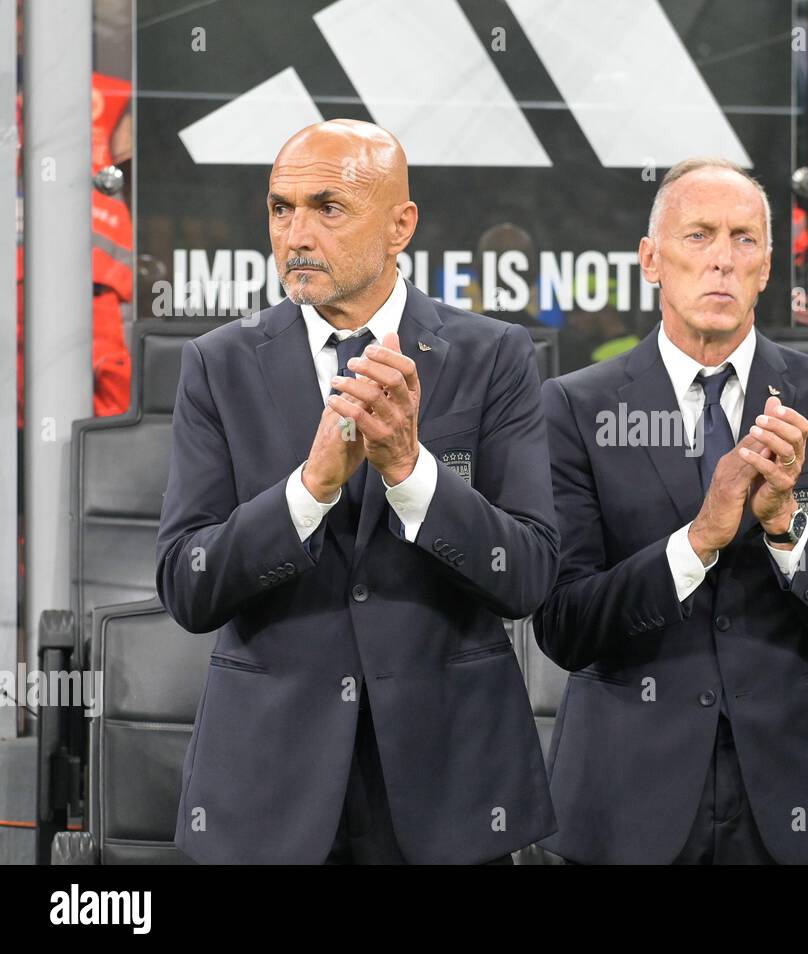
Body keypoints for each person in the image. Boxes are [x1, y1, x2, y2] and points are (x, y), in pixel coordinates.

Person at [155, 119, 558, 863]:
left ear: (400, 225)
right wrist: (307, 492)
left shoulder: (494, 357)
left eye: (327, 207)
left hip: (449, 780)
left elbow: (528, 575)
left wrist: (410, 470)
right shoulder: (218, 364)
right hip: (271, 789)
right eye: (281, 208)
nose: (297, 234)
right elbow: (189, 584)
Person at [535, 157, 808, 864]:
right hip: (627, 800)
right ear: (651, 260)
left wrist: (788, 525)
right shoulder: (575, 409)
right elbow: (565, 629)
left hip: (800, 796)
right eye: (699, 236)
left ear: (767, 269)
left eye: (744, 240)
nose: (723, 262)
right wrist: (698, 540)